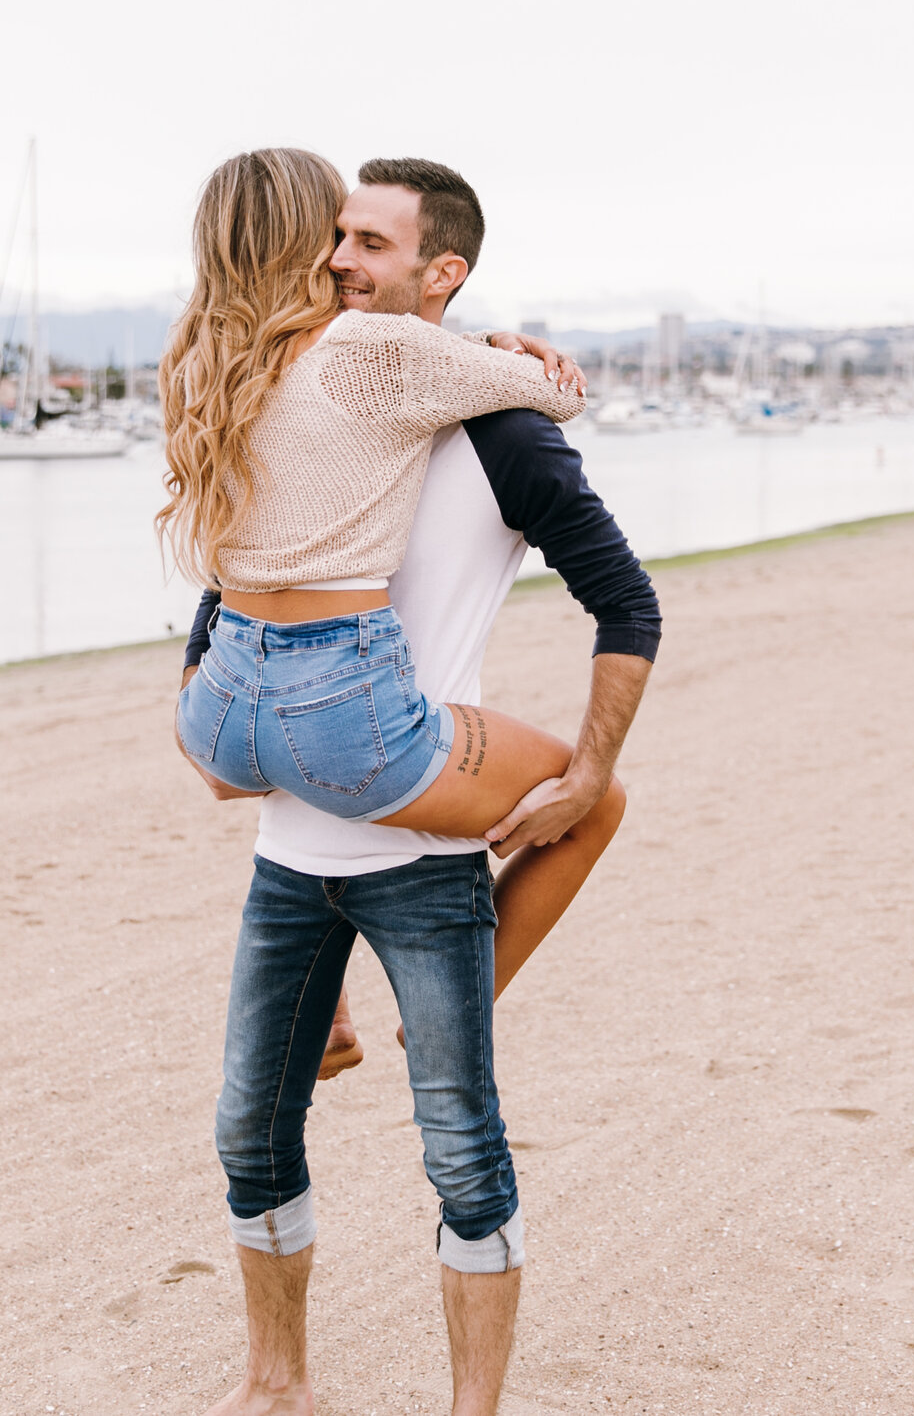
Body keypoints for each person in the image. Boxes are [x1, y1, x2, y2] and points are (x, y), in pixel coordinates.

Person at [164, 152, 659, 1416]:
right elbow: (230, 595)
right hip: (294, 847)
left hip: (422, 856)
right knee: (248, 1134)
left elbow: (626, 600)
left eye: (368, 245)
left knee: (462, 1146)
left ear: (440, 270)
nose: (340, 260)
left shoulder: (495, 431)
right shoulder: (305, 380)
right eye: (332, 238)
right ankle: (276, 1384)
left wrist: (590, 761)